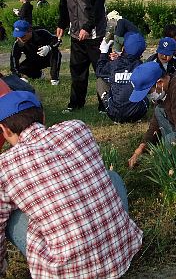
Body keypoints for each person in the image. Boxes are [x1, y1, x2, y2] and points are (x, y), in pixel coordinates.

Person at [0, 91, 142, 277]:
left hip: (68, 272)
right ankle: (115, 237)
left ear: (5, 130)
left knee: (8, 215)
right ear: (43, 116)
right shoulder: (78, 127)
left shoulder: (5, 164)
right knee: (111, 176)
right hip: (119, 256)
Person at [56, 0, 107, 112]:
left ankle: (104, 104)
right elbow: (64, 1)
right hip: (76, 32)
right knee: (77, 70)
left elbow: (98, 4)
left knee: (100, 69)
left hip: (95, 33)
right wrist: (62, 23)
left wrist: (87, 26)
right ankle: (76, 103)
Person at [96, 32, 149, 123]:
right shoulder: (142, 66)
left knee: (100, 81)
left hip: (114, 114)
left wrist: (104, 52)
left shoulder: (114, 64)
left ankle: (108, 103)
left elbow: (99, 71)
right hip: (138, 113)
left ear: (124, 48)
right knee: (146, 84)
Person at [10, 20, 62, 85]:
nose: (21, 38)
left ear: (29, 31)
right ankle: (39, 75)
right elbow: (14, 61)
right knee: (21, 68)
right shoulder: (17, 42)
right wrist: (18, 77)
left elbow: (57, 41)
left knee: (56, 52)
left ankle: (54, 79)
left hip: (48, 58)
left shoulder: (41, 32)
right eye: (18, 36)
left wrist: (49, 47)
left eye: (23, 36)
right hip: (34, 60)